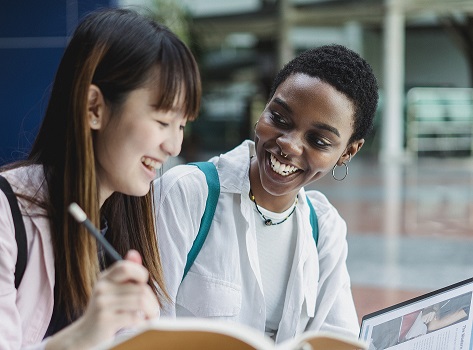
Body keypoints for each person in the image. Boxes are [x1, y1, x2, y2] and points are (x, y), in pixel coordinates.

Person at [0, 8, 201, 349]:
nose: (174, 144)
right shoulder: (6, 216)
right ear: (94, 108)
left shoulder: (129, 227)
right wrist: (86, 333)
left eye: (182, 125)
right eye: (163, 120)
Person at [154, 44, 378, 343]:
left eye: (318, 140)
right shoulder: (186, 194)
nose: (290, 145)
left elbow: (336, 339)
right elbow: (143, 332)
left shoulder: (324, 229)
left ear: (348, 152)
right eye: (280, 119)